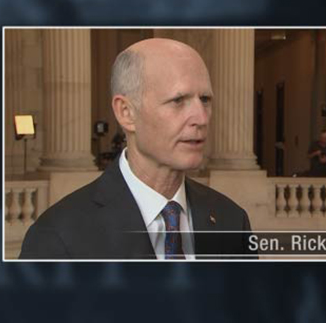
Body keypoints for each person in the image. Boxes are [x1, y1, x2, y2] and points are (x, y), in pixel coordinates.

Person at [19, 38, 254, 259]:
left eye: (205, 99)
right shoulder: (57, 238)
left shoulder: (232, 220)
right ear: (126, 112)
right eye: (178, 100)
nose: (201, 118)